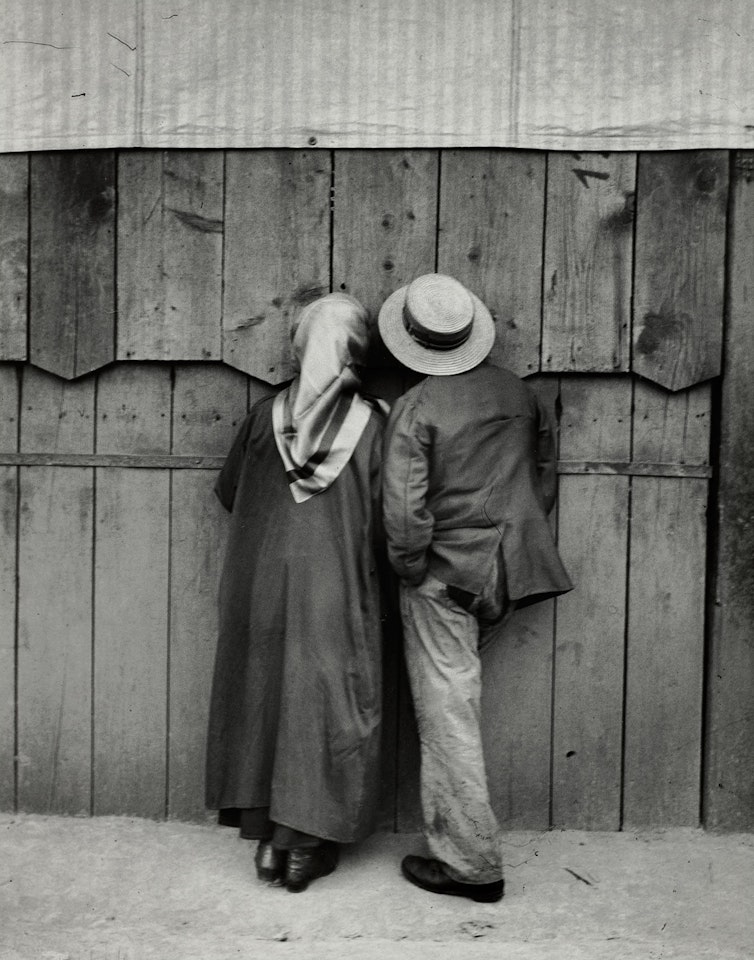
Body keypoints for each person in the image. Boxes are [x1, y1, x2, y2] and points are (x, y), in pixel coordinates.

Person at [378, 274, 573, 903]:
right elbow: (543, 481)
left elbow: (404, 515)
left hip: (446, 576)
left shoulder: (419, 406)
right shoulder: (518, 393)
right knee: (457, 702)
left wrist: (414, 572)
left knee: (448, 717)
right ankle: (465, 851)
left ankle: (471, 866)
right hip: (507, 573)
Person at [205, 292, 387, 893]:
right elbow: (394, 515)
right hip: (336, 584)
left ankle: (265, 844)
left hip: (260, 585)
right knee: (326, 702)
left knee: (264, 696)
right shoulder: (376, 423)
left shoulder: (264, 416)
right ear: (360, 347)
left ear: (301, 345)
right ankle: (304, 847)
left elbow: (231, 492)